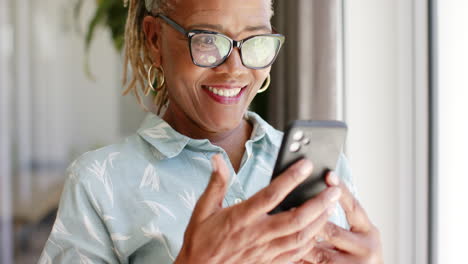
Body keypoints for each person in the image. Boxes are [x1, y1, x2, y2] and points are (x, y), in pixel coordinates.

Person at [39, 0, 383, 263]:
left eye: (255, 41)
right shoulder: (99, 183)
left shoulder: (319, 168)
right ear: (155, 38)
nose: (234, 69)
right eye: (206, 40)